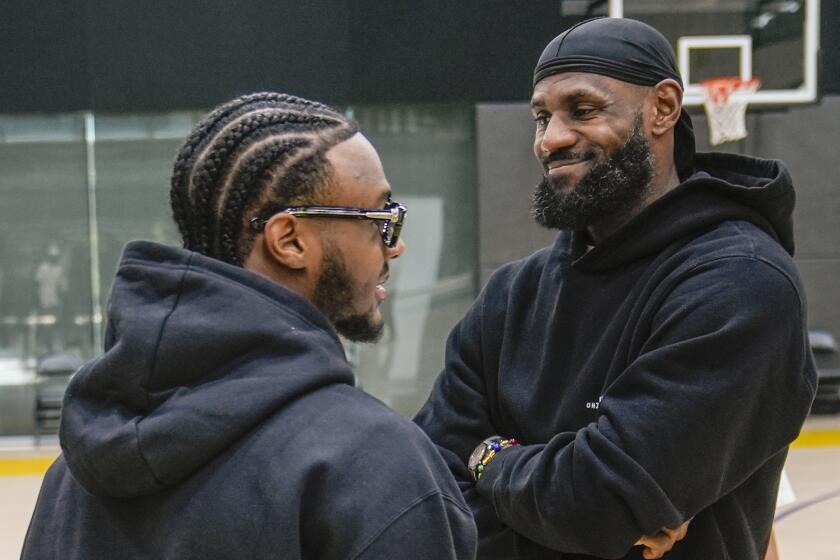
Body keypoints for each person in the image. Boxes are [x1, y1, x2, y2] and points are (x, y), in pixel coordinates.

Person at [414, 17, 816, 560]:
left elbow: (597, 502)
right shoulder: (510, 296)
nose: (550, 139)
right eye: (541, 117)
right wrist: (560, 497)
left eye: (583, 110)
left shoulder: (740, 284)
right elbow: (428, 487)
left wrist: (488, 458)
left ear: (664, 108)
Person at [22, 92, 476, 560]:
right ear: (290, 240)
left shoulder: (74, 475)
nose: (394, 246)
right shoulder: (374, 466)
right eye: (379, 218)